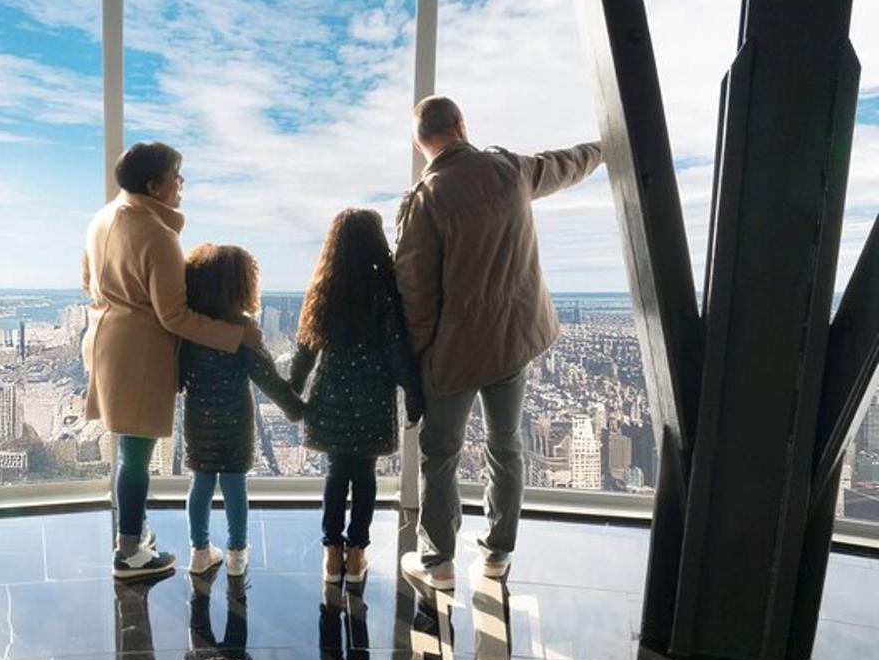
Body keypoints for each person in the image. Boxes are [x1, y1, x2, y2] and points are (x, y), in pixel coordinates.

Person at [395, 96, 603, 588]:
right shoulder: (509, 170)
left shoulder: (426, 199)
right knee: (505, 445)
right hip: (513, 342)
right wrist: (603, 148)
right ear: (461, 125)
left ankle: (438, 562)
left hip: (455, 351)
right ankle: (496, 554)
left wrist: (421, 357)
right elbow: (565, 165)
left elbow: (415, 292)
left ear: (420, 142)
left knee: (440, 454)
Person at [82, 142, 263, 580]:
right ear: (154, 186)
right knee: (137, 456)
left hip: (104, 340)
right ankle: (129, 553)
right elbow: (175, 316)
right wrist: (237, 335)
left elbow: (87, 281)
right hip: (139, 354)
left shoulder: (102, 218)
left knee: (129, 449)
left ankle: (135, 534)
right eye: (175, 177)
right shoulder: (159, 236)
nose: (181, 184)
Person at [291, 208, 423, 585]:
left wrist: (293, 392)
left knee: (336, 475)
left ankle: (332, 553)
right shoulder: (383, 290)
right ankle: (357, 551)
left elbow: (305, 349)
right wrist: (414, 396)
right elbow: (398, 350)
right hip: (372, 398)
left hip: (330, 394)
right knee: (363, 477)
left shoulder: (323, 288)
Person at [181, 243, 305, 576]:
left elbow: (176, 375)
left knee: (201, 483)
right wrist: (297, 409)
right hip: (236, 420)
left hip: (197, 419)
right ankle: (237, 555)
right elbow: (269, 379)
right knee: (236, 486)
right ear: (243, 285)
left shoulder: (190, 331)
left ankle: (199, 550)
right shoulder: (243, 331)